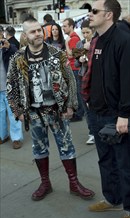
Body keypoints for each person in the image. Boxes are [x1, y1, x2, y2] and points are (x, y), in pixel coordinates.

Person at [6, 16, 95, 201]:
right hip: (33, 113)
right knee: (39, 149)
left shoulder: (56, 53)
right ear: (26, 35)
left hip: (58, 110)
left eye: (39, 30)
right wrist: (17, 110)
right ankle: (45, 183)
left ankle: (74, 183)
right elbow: (11, 85)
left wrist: (70, 105)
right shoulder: (18, 58)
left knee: (67, 147)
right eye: (33, 31)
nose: (38, 33)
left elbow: (70, 79)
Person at [81, 0, 130, 218]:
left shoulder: (123, 40)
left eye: (94, 11)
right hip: (96, 112)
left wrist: (124, 115)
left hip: (116, 114)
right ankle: (113, 199)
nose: (90, 14)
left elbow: (128, 81)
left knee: (124, 162)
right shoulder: (97, 40)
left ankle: (128, 206)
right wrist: (89, 101)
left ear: (109, 15)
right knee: (105, 160)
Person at [0, 26, 23, 149]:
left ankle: (16, 138)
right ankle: (3, 136)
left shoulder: (8, 46)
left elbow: (18, 53)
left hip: (9, 87)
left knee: (13, 113)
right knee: (0, 114)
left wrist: (8, 47)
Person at [73, 19, 95, 145]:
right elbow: (76, 63)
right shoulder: (80, 44)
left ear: (93, 31)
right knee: (86, 107)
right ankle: (91, 132)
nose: (85, 35)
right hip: (82, 77)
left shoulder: (97, 43)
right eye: (83, 33)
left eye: (87, 32)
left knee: (95, 106)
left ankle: (98, 130)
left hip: (94, 78)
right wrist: (80, 60)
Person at [62, 18, 84, 122]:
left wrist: (66, 44)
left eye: (65, 26)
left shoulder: (73, 38)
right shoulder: (71, 37)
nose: (63, 28)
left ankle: (79, 113)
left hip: (74, 68)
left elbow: (72, 55)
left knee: (77, 91)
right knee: (75, 91)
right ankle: (78, 112)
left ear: (71, 26)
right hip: (72, 68)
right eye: (63, 26)